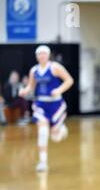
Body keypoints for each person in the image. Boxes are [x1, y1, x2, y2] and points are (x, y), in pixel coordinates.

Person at [19, 45, 74, 173]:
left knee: (55, 136)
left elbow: (69, 80)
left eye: (44, 54)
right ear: (37, 56)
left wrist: (59, 90)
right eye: (39, 54)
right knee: (42, 132)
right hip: (41, 104)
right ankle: (43, 162)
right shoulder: (34, 70)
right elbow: (30, 87)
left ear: (48, 55)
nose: (42, 56)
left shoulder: (55, 67)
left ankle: (60, 130)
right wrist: (24, 91)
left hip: (56, 104)